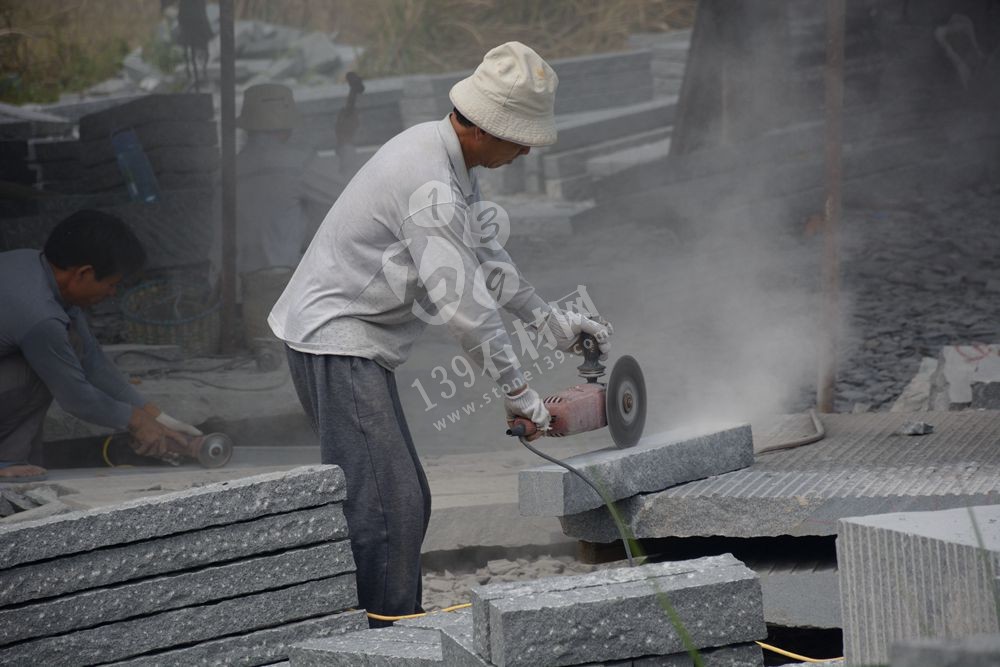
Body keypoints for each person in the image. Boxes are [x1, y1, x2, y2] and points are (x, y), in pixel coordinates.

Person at [267, 42, 613, 622]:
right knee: (387, 506)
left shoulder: (445, 155)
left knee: (402, 499)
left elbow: (487, 259)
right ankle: (380, 638)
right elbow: (468, 311)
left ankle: (387, 624)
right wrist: (520, 395)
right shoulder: (429, 186)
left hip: (348, 343)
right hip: (335, 341)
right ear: (485, 127)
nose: (527, 148)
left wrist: (553, 325)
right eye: (521, 134)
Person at [0, 210, 201, 482]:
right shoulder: (40, 317)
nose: (112, 293)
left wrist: (156, 416)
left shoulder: (33, 265)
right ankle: (6, 462)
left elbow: (93, 362)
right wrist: (137, 421)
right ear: (83, 273)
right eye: (111, 284)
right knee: (44, 368)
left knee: (62, 350)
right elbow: (76, 398)